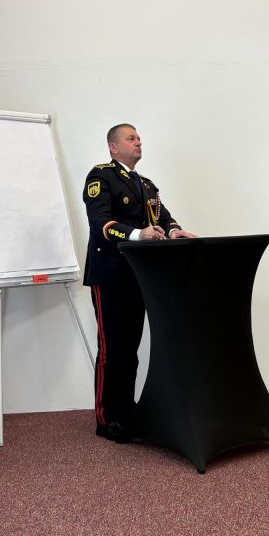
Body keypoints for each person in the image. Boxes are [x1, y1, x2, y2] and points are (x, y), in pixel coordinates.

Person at [83, 123, 196, 443]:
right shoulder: (101, 176)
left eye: (139, 138)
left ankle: (126, 410)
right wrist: (138, 234)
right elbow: (100, 223)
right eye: (130, 138)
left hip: (139, 275)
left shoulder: (145, 184)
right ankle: (107, 419)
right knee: (112, 349)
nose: (138, 142)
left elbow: (163, 216)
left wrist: (174, 230)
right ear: (113, 147)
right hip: (110, 274)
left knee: (130, 349)